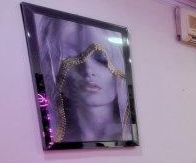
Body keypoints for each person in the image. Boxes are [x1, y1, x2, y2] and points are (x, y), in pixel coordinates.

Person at [35, 15, 133, 144]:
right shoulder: (56, 137)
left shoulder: (127, 135)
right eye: (71, 57)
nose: (88, 70)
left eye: (101, 59)